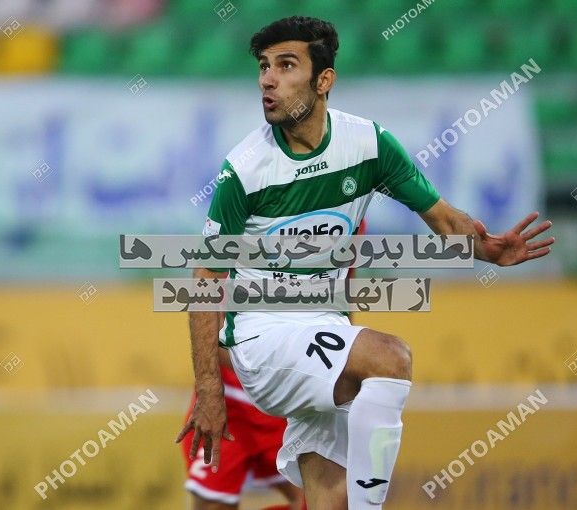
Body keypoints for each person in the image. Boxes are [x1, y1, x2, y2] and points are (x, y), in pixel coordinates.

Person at [176, 16, 554, 509]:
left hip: (324, 326)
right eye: (264, 66)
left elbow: (442, 218)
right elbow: (205, 278)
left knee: (329, 499)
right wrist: (209, 388)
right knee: (389, 357)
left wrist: (487, 250)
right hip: (261, 337)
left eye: (286, 66)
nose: (268, 80)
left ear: (324, 80)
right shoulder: (245, 169)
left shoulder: (368, 145)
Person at [180, 314, 306, 510]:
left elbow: (338, 315)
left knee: (318, 498)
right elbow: (205, 307)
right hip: (229, 403)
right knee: (213, 503)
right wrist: (209, 392)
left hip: (287, 401)